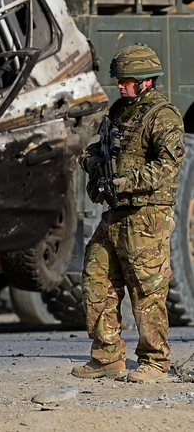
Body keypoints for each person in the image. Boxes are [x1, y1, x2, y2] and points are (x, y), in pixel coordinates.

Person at [73, 43, 186, 383]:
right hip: (115, 214)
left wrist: (125, 181)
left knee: (146, 291)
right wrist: (93, 164)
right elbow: (97, 148)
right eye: (119, 80)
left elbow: (168, 166)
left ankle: (155, 361)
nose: (120, 85)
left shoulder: (163, 116)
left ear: (146, 81)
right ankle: (107, 356)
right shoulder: (121, 111)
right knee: (96, 280)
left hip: (146, 218)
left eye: (126, 80)